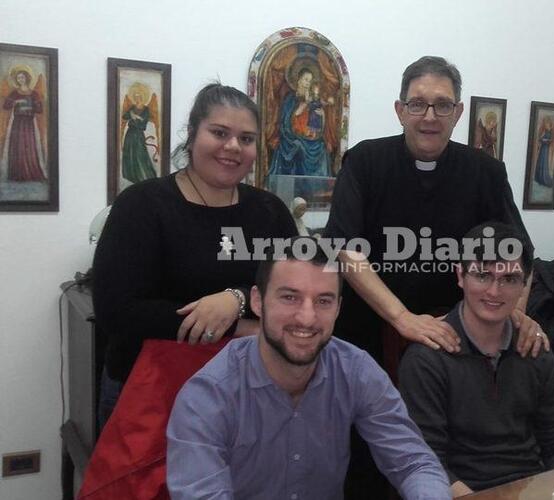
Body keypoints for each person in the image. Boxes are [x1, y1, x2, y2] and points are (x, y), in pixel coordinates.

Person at [323, 54, 547, 500]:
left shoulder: (485, 171)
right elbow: (345, 250)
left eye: (442, 105)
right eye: (418, 104)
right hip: (370, 326)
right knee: (367, 452)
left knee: (445, 446)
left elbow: (519, 253)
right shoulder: (365, 161)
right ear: (399, 109)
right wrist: (401, 318)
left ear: (459, 112)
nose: (429, 116)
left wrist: (514, 314)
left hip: (454, 337)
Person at [166, 238, 452, 500]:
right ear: (257, 301)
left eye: (323, 301)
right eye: (290, 297)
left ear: (339, 308)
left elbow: (414, 462)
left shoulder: (355, 369)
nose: (307, 317)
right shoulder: (208, 395)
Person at [92, 83, 298, 427]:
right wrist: (235, 326)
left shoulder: (270, 211)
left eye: (246, 139)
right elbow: (118, 313)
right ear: (192, 134)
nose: (232, 147)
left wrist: (238, 299)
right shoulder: (142, 205)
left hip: (247, 392)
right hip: (151, 395)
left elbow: (294, 287)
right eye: (219, 132)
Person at [399, 222, 554, 496]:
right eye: (482, 275)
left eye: (509, 279)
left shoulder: (535, 348)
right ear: (460, 275)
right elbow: (426, 460)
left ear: (524, 285)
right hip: (460, 492)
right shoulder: (426, 359)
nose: (494, 292)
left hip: (529, 487)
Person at [268, 67, 331, 177]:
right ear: (299, 80)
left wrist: (322, 115)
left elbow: (319, 124)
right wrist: (305, 104)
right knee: (298, 147)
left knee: (322, 149)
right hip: (292, 138)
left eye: (310, 81)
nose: (308, 83)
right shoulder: (290, 98)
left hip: (311, 138)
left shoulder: (314, 99)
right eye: (306, 79)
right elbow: (287, 120)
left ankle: (317, 191)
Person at [1, 66, 46, 181]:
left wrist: (34, 104)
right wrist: (15, 102)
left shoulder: (33, 93)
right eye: (18, 78)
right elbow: (5, 106)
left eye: (23, 77)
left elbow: (39, 110)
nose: (21, 79)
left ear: (27, 78)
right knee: (18, 147)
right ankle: (17, 174)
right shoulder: (14, 93)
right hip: (17, 123)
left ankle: (31, 173)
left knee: (29, 146)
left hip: (29, 123)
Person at [120, 82, 158, 184]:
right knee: (129, 154)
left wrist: (135, 118)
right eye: (135, 97)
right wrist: (131, 115)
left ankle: (143, 176)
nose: (137, 99)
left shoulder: (146, 109)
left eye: (139, 97)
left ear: (143, 97)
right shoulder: (132, 108)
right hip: (130, 134)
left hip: (138, 134)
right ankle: (130, 175)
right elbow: (124, 116)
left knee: (140, 155)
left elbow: (143, 125)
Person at [533, 116, 554, 187]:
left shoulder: (550, 132)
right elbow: (540, 139)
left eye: (546, 123)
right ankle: (539, 178)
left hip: (545, 150)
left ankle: (543, 178)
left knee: (544, 163)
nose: (545, 124)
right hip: (542, 149)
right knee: (540, 162)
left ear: (549, 124)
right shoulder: (544, 131)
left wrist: (546, 141)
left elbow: (551, 140)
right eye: (545, 123)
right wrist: (542, 139)